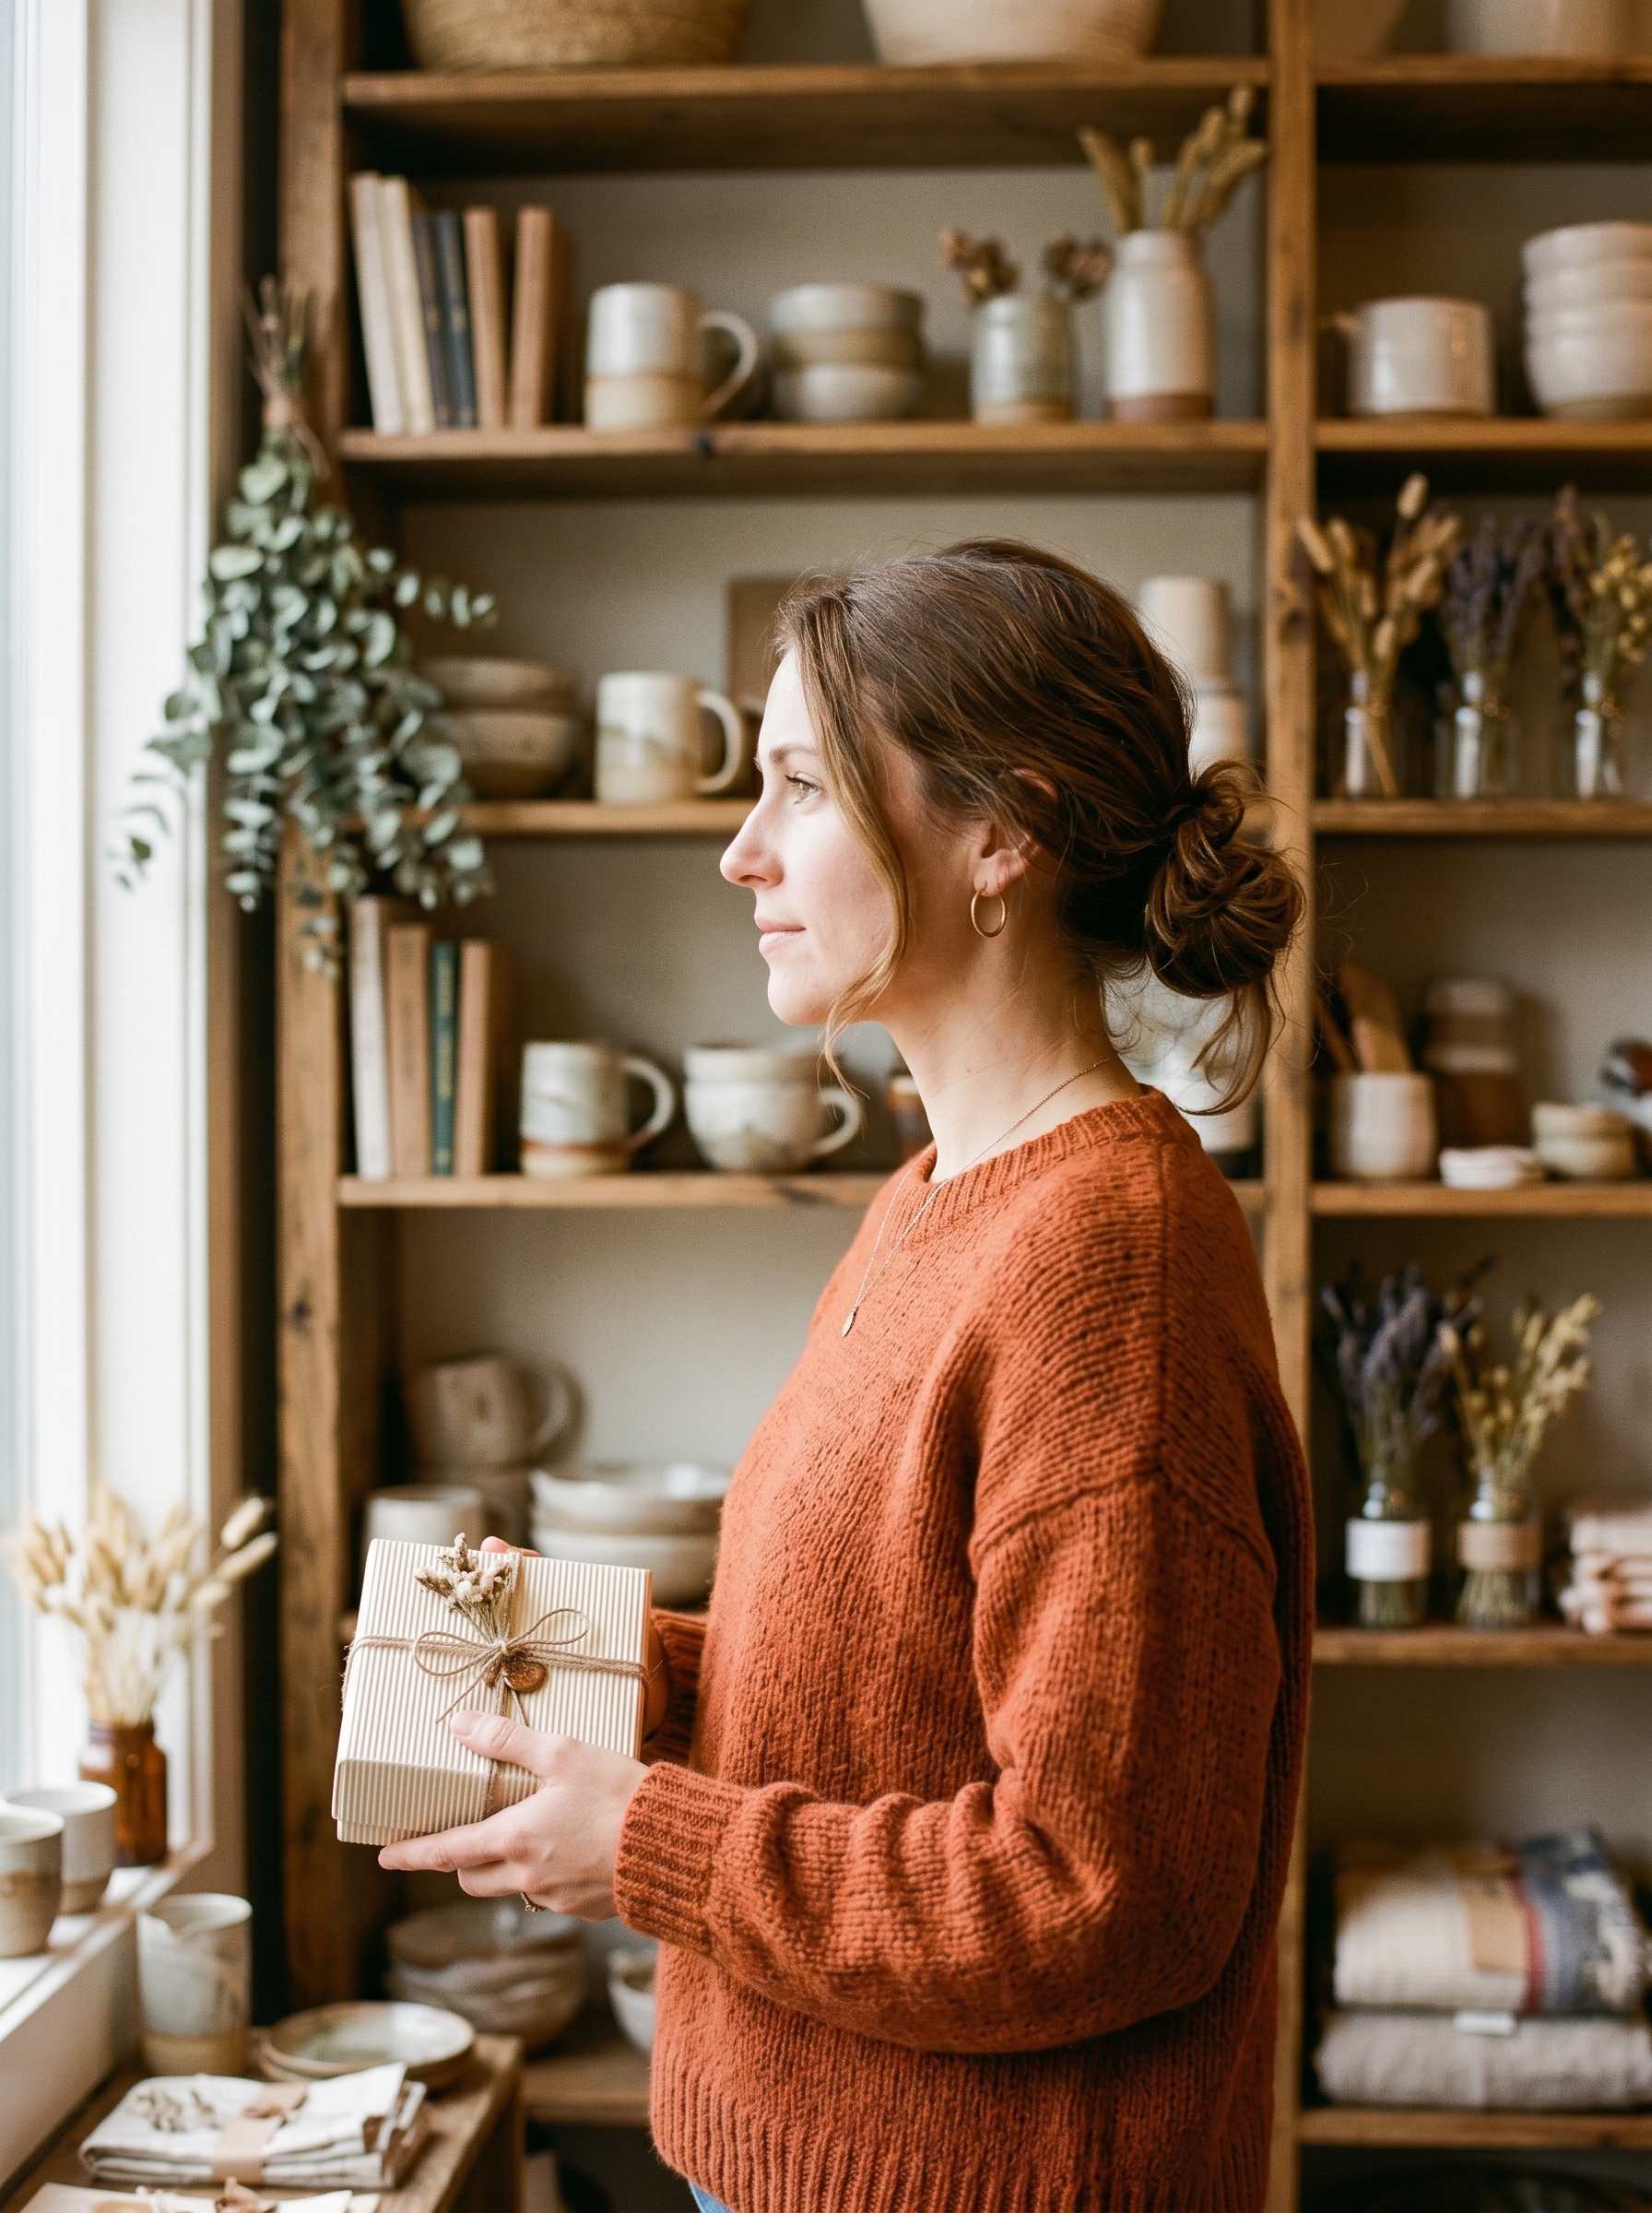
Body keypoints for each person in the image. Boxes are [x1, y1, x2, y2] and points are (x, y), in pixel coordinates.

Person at [382, 539, 1313, 2213]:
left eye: (800, 786)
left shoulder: (1115, 1263)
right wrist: (623, 1670)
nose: (740, 850)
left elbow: (1101, 1890)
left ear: (1002, 832)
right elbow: (899, 1674)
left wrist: (653, 1844)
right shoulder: (934, 1198)